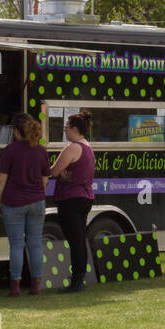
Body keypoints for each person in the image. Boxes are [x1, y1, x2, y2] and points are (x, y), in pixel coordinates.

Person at [0, 112, 50, 295]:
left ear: (17, 132)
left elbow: (1, 180)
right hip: (37, 202)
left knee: (17, 245)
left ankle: (15, 286)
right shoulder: (42, 150)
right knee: (35, 244)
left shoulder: (10, 151)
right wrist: (37, 193)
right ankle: (36, 284)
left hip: (13, 203)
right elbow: (45, 179)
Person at [49, 110, 96, 294]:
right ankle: (79, 277)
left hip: (71, 199)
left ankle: (77, 281)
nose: (65, 131)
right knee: (80, 239)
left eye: (66, 127)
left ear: (74, 129)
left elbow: (53, 171)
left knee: (75, 241)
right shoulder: (88, 147)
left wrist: (59, 172)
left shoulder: (72, 148)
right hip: (85, 196)